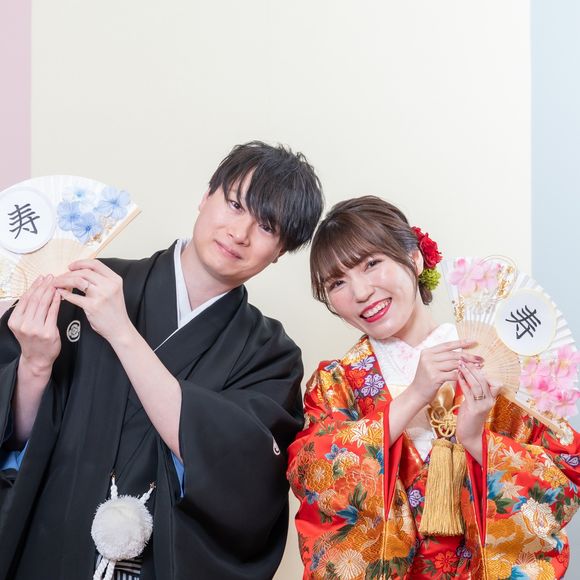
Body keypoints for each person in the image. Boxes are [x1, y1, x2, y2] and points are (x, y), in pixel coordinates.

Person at [0, 141, 324, 580]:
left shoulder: (271, 355)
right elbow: (16, 439)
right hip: (44, 554)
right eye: (234, 205)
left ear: (281, 250)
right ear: (206, 196)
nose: (239, 233)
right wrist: (35, 366)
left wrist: (121, 332)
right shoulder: (86, 284)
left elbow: (243, 481)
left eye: (267, 227)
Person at [287, 196, 580, 579]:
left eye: (371, 263)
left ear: (414, 259)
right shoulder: (336, 383)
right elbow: (310, 473)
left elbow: (565, 471)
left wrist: (476, 440)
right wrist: (413, 397)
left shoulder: (497, 363)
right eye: (337, 282)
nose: (359, 292)